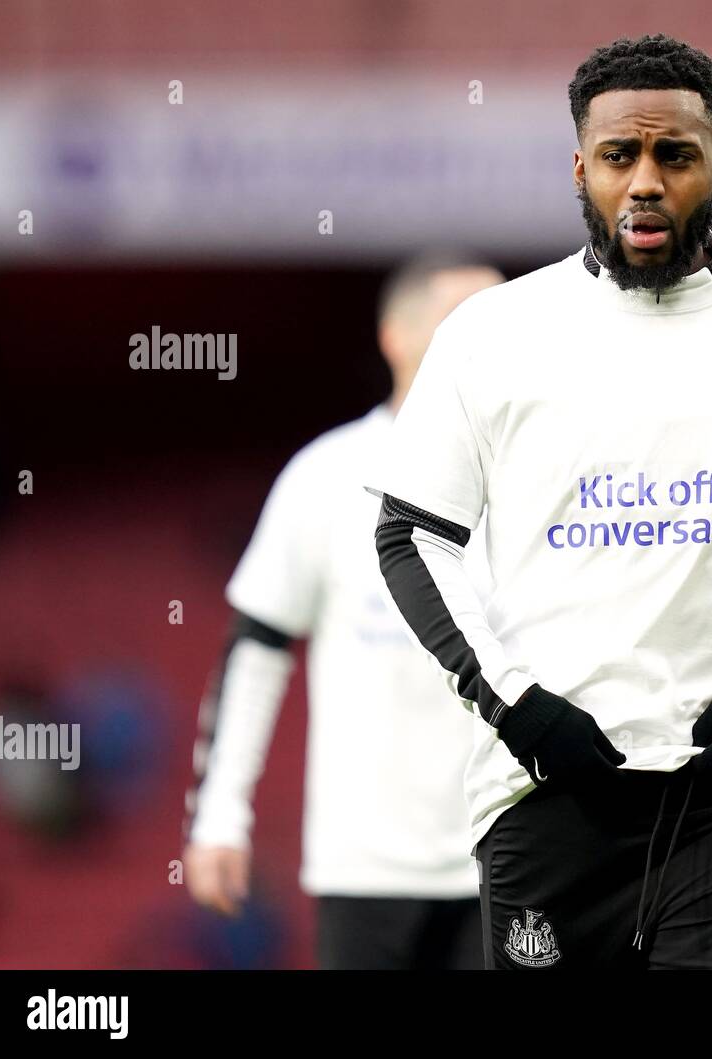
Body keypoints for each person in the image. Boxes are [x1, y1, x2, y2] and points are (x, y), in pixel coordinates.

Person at [366, 34, 712, 970]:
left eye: (676, 155)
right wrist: (517, 707)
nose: (647, 182)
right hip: (547, 799)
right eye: (621, 156)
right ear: (581, 167)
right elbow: (413, 535)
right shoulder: (492, 335)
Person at [183, 254, 503, 969]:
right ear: (396, 334)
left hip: (510, 859)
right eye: (463, 317)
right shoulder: (324, 476)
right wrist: (221, 812)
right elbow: (257, 650)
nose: (487, 336)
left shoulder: (541, 480)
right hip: (365, 868)